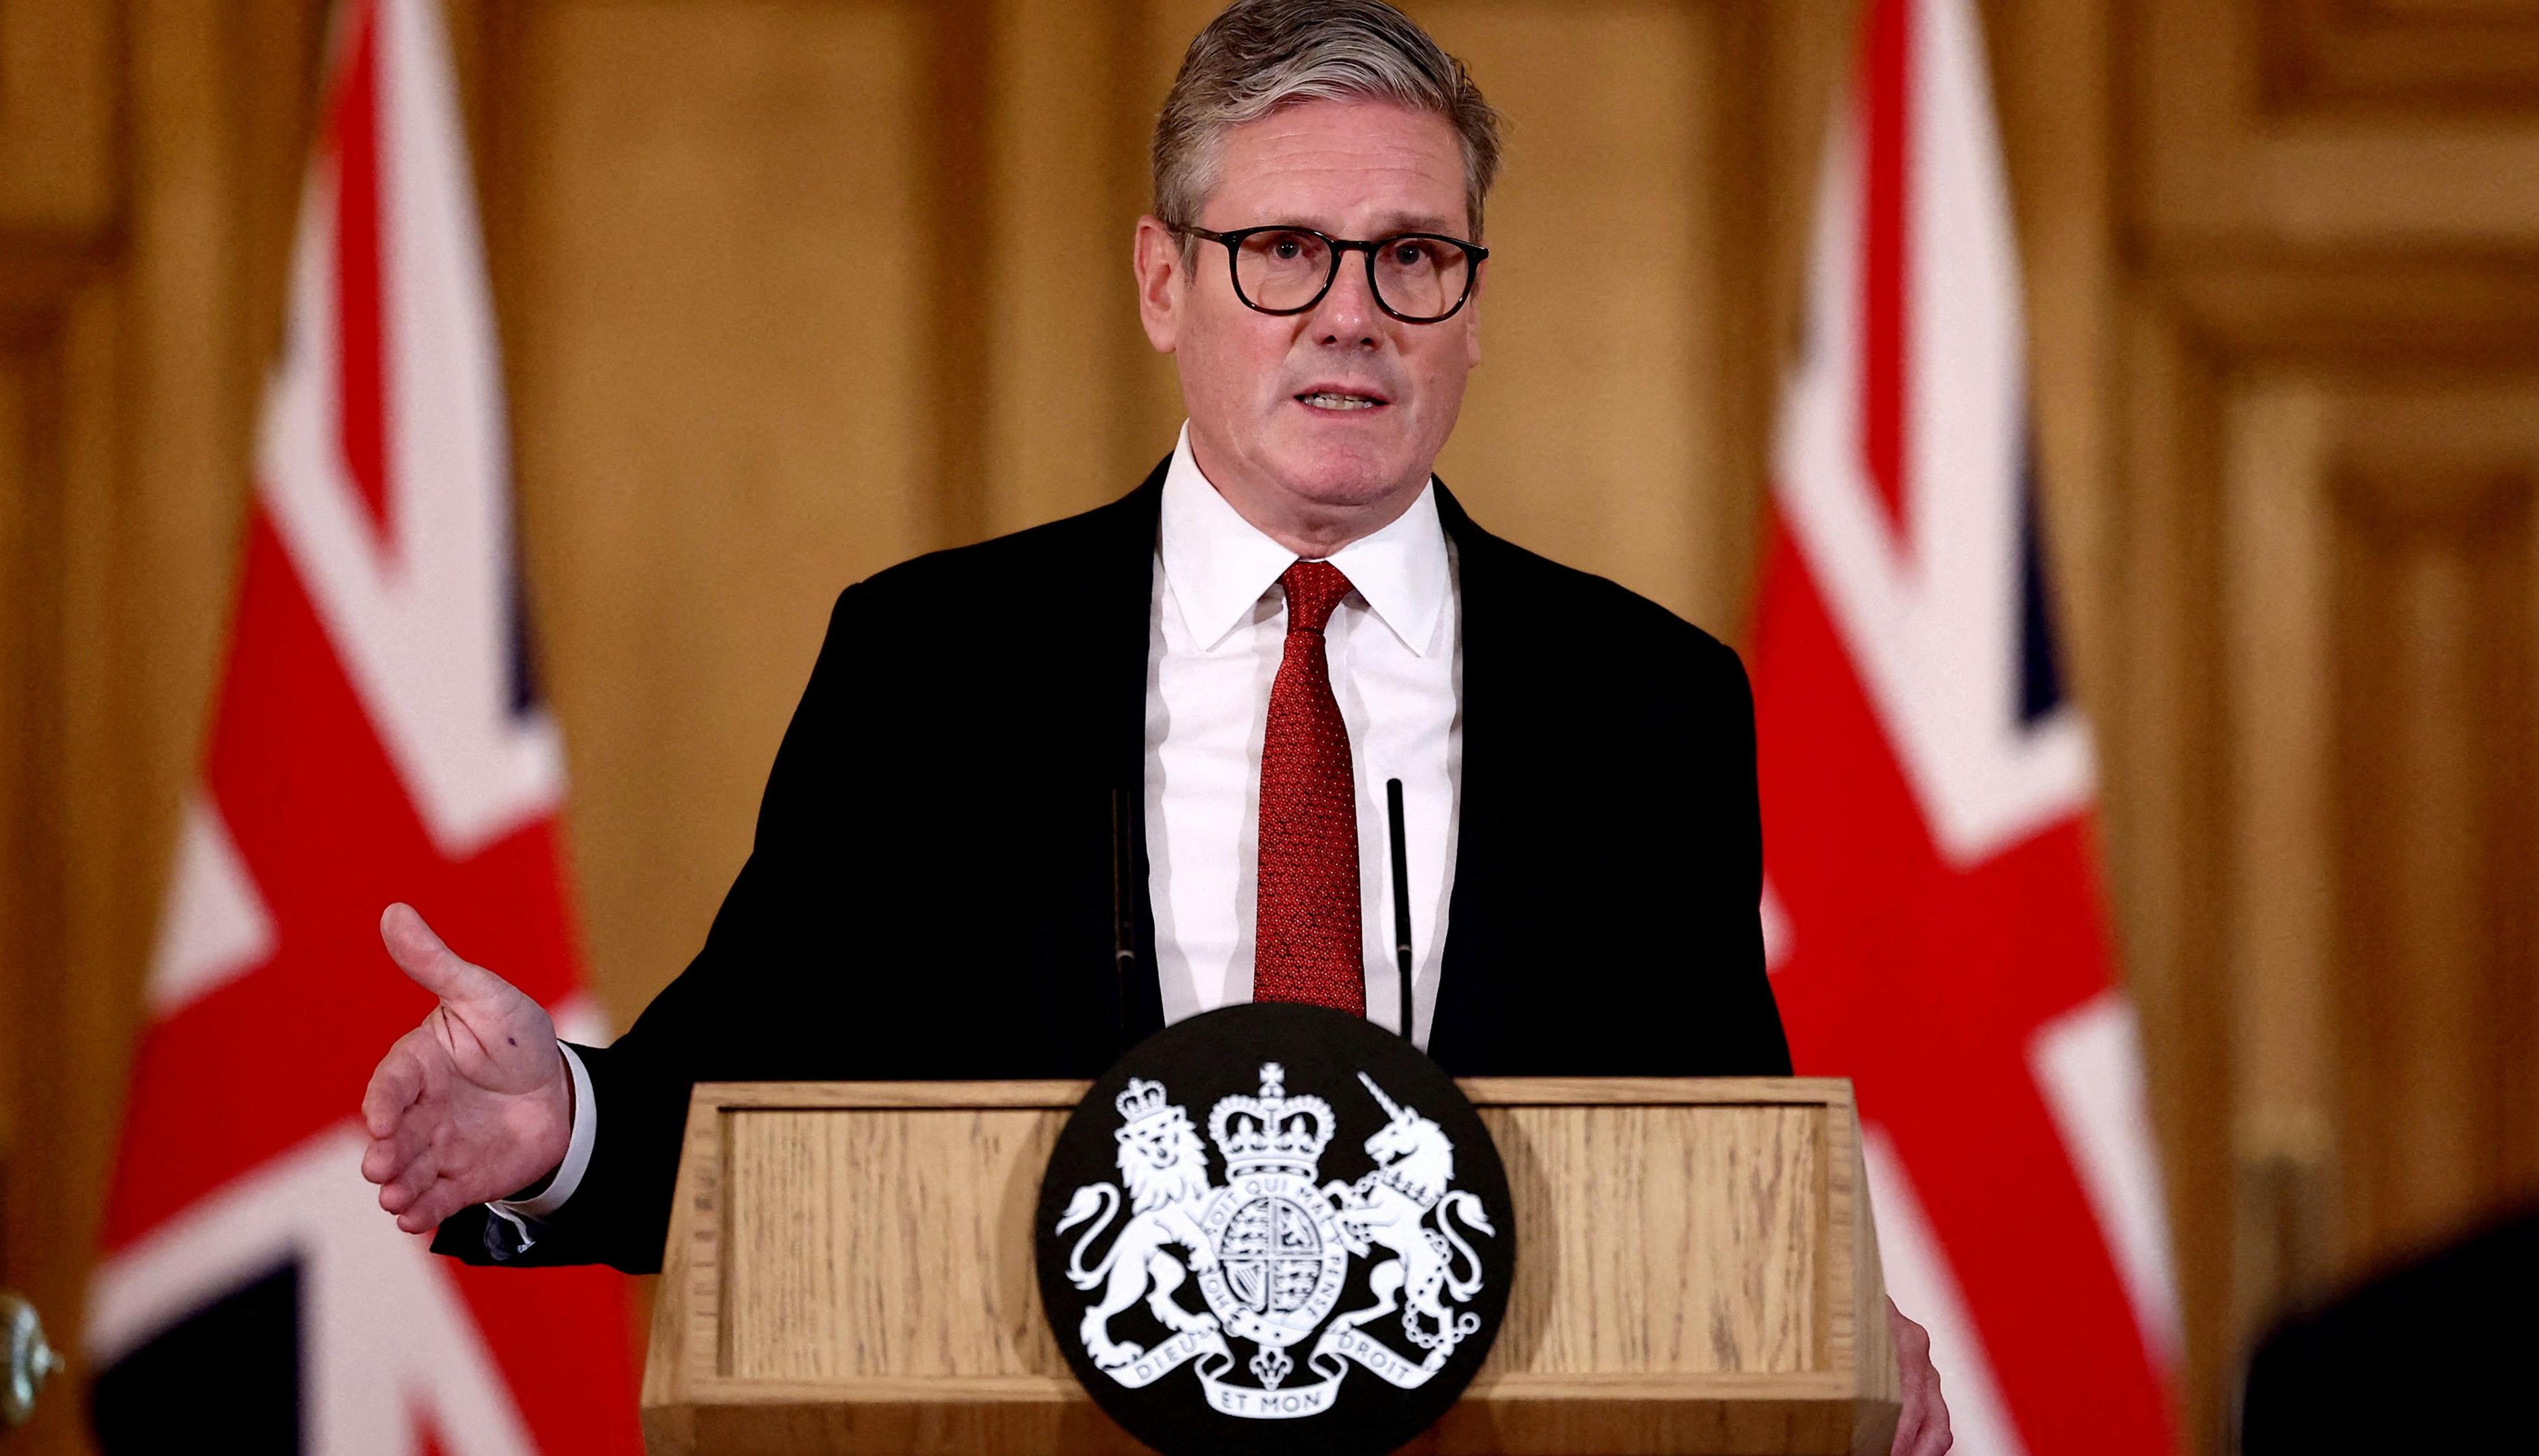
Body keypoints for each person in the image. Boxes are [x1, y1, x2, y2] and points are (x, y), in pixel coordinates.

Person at [358, 2, 1948, 1449]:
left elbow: (1715, 1164)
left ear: (1472, 307)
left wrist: (1813, 1327)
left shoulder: (1642, 700)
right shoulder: (939, 664)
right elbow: (758, 1095)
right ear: (1163, 281)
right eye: (1282, 250)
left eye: (1413, 256)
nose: (1351, 315)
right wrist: (564, 1119)